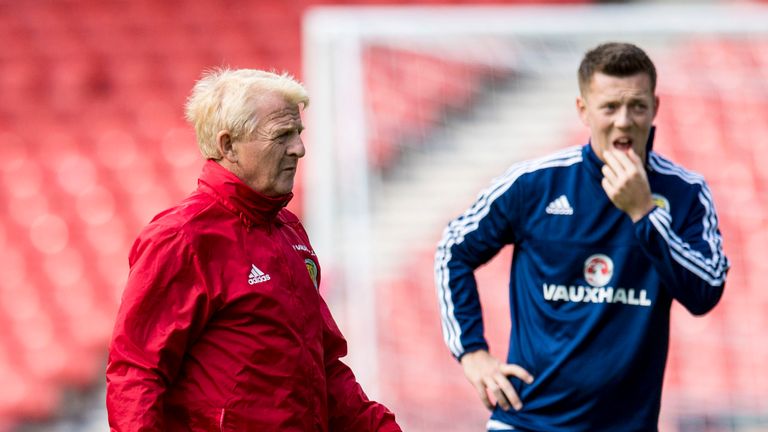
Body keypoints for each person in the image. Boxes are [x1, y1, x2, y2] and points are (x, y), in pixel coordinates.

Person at [435, 42, 729, 431]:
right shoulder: (535, 184)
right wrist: (471, 351)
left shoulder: (685, 192)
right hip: (527, 421)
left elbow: (704, 292)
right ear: (583, 111)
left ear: (655, 108)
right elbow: (453, 250)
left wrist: (643, 213)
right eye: (609, 107)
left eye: (637, 106)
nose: (624, 121)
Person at [106, 68, 401, 431]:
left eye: (298, 133)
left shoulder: (289, 231)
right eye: (282, 135)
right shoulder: (182, 237)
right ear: (228, 145)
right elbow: (137, 372)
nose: (299, 149)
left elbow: (324, 368)